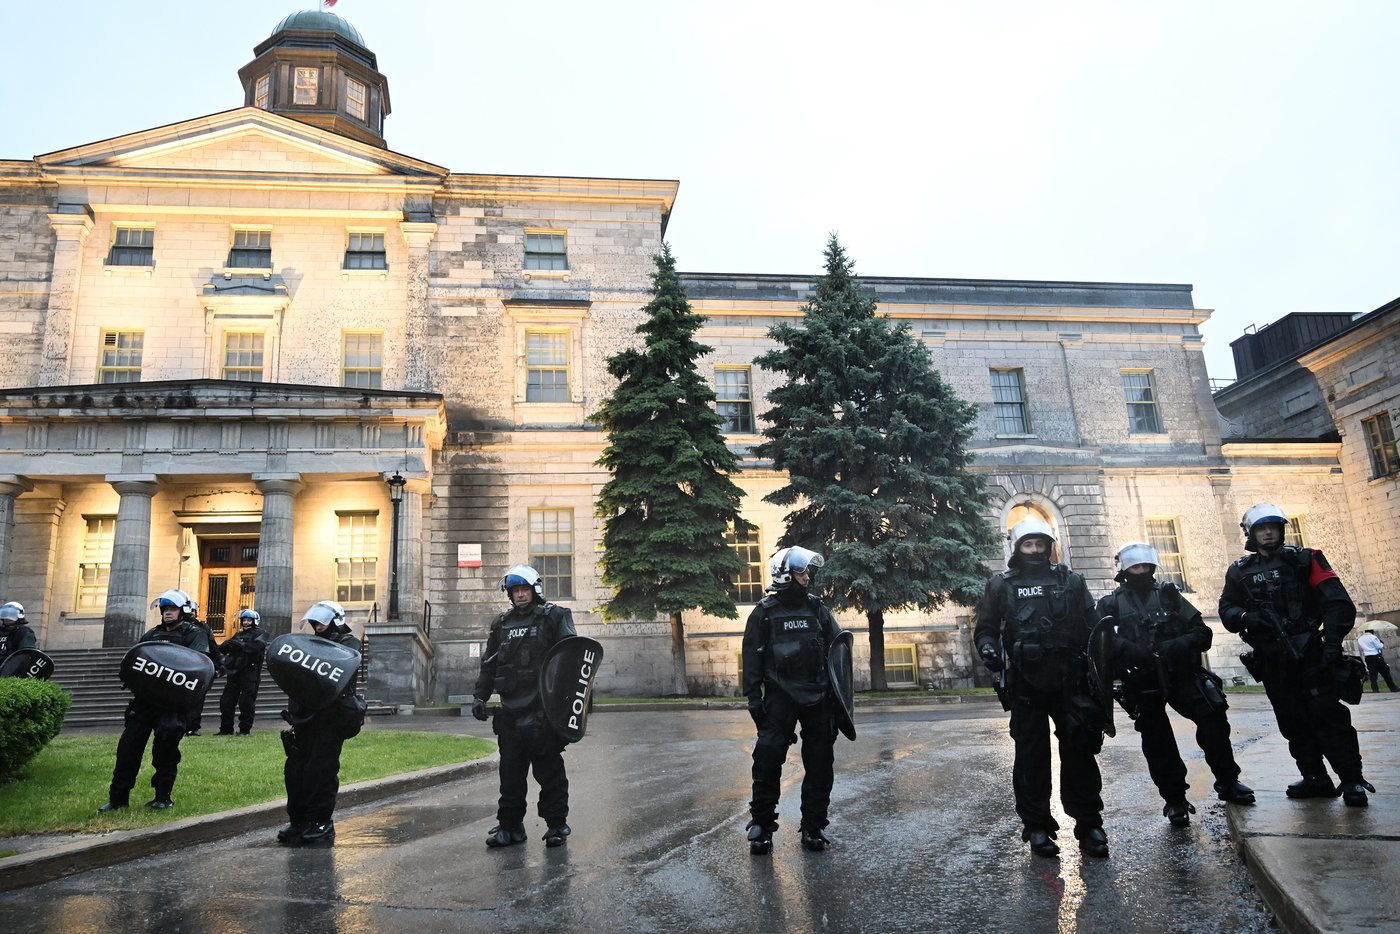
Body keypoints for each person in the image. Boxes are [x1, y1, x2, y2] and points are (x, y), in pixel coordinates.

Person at [1219, 503, 1375, 806]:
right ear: (1251, 534)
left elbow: (1337, 603)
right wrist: (1247, 618)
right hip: (1273, 660)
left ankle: (1352, 780)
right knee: (1292, 722)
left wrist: (1331, 645)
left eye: (1272, 527)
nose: (1267, 533)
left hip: (1311, 655)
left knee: (1329, 717)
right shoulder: (1239, 572)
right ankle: (1315, 778)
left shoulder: (1306, 560)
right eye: (1261, 528)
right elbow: (1226, 610)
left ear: (1281, 530)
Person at [974, 518, 1109, 859]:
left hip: (1071, 681)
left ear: (1050, 546)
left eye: (1040, 544)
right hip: (1025, 684)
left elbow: (1095, 631)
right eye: (1027, 544)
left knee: (1080, 753)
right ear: (1016, 547)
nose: (1034, 550)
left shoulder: (1071, 581)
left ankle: (1089, 824)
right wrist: (988, 649)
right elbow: (986, 628)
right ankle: (1037, 827)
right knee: (1031, 757)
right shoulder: (1001, 585)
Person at [1098, 542, 1255, 828]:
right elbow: (1099, 644)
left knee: (1213, 719)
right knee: (1157, 741)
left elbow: (1202, 633)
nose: (1141, 571)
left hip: (1181, 674)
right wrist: (1127, 649)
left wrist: (1178, 644)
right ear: (1124, 570)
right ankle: (1174, 800)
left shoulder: (1170, 596)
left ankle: (1228, 782)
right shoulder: (1109, 605)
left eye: (1145, 566)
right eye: (1135, 567)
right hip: (1142, 681)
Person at [742, 546, 843, 855]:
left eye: (806, 571)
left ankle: (814, 828)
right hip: (779, 697)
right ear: (786, 575)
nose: (807, 576)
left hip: (817, 696)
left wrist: (839, 706)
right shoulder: (765, 612)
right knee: (768, 758)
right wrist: (753, 698)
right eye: (802, 572)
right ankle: (761, 827)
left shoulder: (818, 610)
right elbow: (751, 658)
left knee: (820, 762)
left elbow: (839, 654)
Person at [471, 565, 578, 848]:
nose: (519, 595)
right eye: (515, 590)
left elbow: (572, 657)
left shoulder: (555, 616)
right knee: (510, 775)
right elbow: (489, 665)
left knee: (549, 772)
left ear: (535, 590)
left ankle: (557, 825)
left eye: (524, 589)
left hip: (542, 711)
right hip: (510, 712)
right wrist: (480, 697)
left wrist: (567, 707)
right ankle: (510, 827)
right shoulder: (500, 624)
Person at [97, 589, 212, 813]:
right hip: (144, 703)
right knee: (128, 750)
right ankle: (118, 798)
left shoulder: (193, 634)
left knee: (165, 753)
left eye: (172, 609)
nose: (168, 613)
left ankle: (162, 797)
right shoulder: (151, 635)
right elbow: (134, 659)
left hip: (172, 705)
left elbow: (199, 666)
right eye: (165, 609)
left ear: (183, 611)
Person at [278, 600, 363, 847]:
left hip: (330, 718)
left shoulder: (348, 643)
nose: (317, 626)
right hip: (304, 717)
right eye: (314, 622)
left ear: (336, 619)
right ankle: (299, 821)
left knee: (321, 771)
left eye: (321, 621)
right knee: (295, 771)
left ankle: (321, 823)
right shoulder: (309, 644)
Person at [217, 609, 269, 735]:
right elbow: (224, 648)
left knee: (246, 703)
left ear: (254, 621)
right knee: (226, 701)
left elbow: (255, 647)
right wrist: (234, 644)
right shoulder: (237, 634)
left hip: (250, 672)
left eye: (248, 620)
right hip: (234, 672)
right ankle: (226, 729)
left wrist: (237, 645)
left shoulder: (261, 633)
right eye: (244, 620)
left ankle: (245, 730)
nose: (245, 622)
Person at [184, 598, 223, 736]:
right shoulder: (175, 627)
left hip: (198, 666)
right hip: (181, 666)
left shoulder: (203, 627)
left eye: (193, 611)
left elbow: (212, 646)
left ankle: (193, 727)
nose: (191, 613)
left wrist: (220, 662)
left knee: (197, 699)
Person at [1357, 629, 1399, 693]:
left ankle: (1375, 689)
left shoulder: (1360, 639)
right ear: (1372, 632)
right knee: (1385, 672)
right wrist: (1381, 642)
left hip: (1368, 657)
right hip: (1376, 656)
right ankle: (1393, 688)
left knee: (1372, 674)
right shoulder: (1373, 637)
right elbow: (1379, 646)